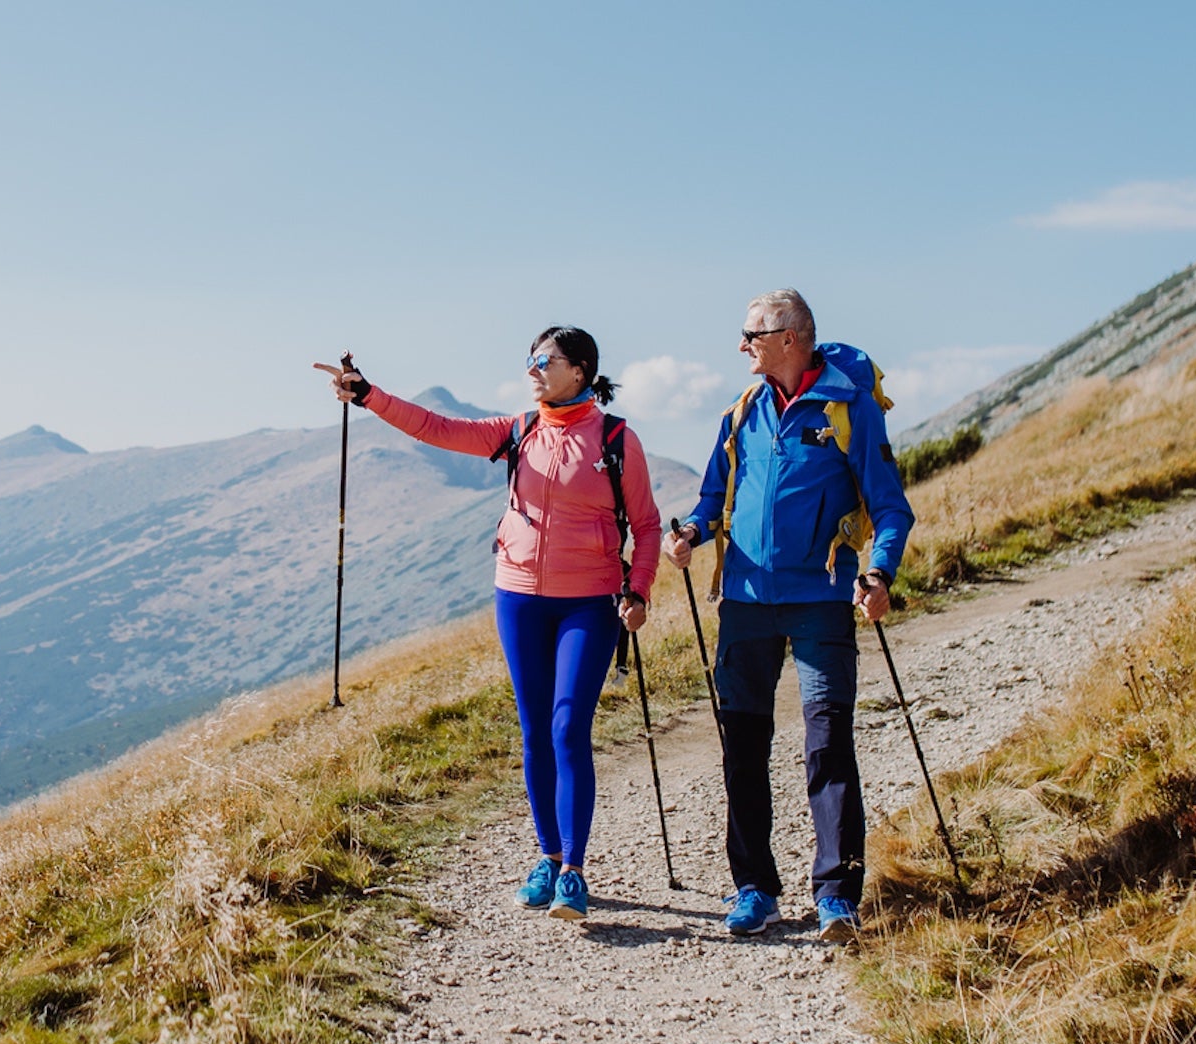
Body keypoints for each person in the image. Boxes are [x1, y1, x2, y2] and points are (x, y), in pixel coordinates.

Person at [318, 329, 660, 922]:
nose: (532, 369)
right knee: (533, 732)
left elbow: (649, 526)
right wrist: (369, 394)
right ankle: (548, 857)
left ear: (579, 371)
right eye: (529, 359)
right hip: (518, 597)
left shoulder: (614, 440)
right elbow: (436, 427)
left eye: (544, 361)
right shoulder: (518, 431)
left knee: (566, 729)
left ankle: (574, 870)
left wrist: (639, 590)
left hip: (589, 601)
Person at [664, 289, 914, 941]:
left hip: (820, 599)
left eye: (749, 334)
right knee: (741, 746)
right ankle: (753, 888)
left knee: (827, 742)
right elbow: (713, 499)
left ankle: (837, 895)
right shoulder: (740, 412)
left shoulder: (848, 409)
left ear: (788, 336)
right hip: (744, 602)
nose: (740, 346)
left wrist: (879, 571)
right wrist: (690, 533)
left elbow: (890, 507)